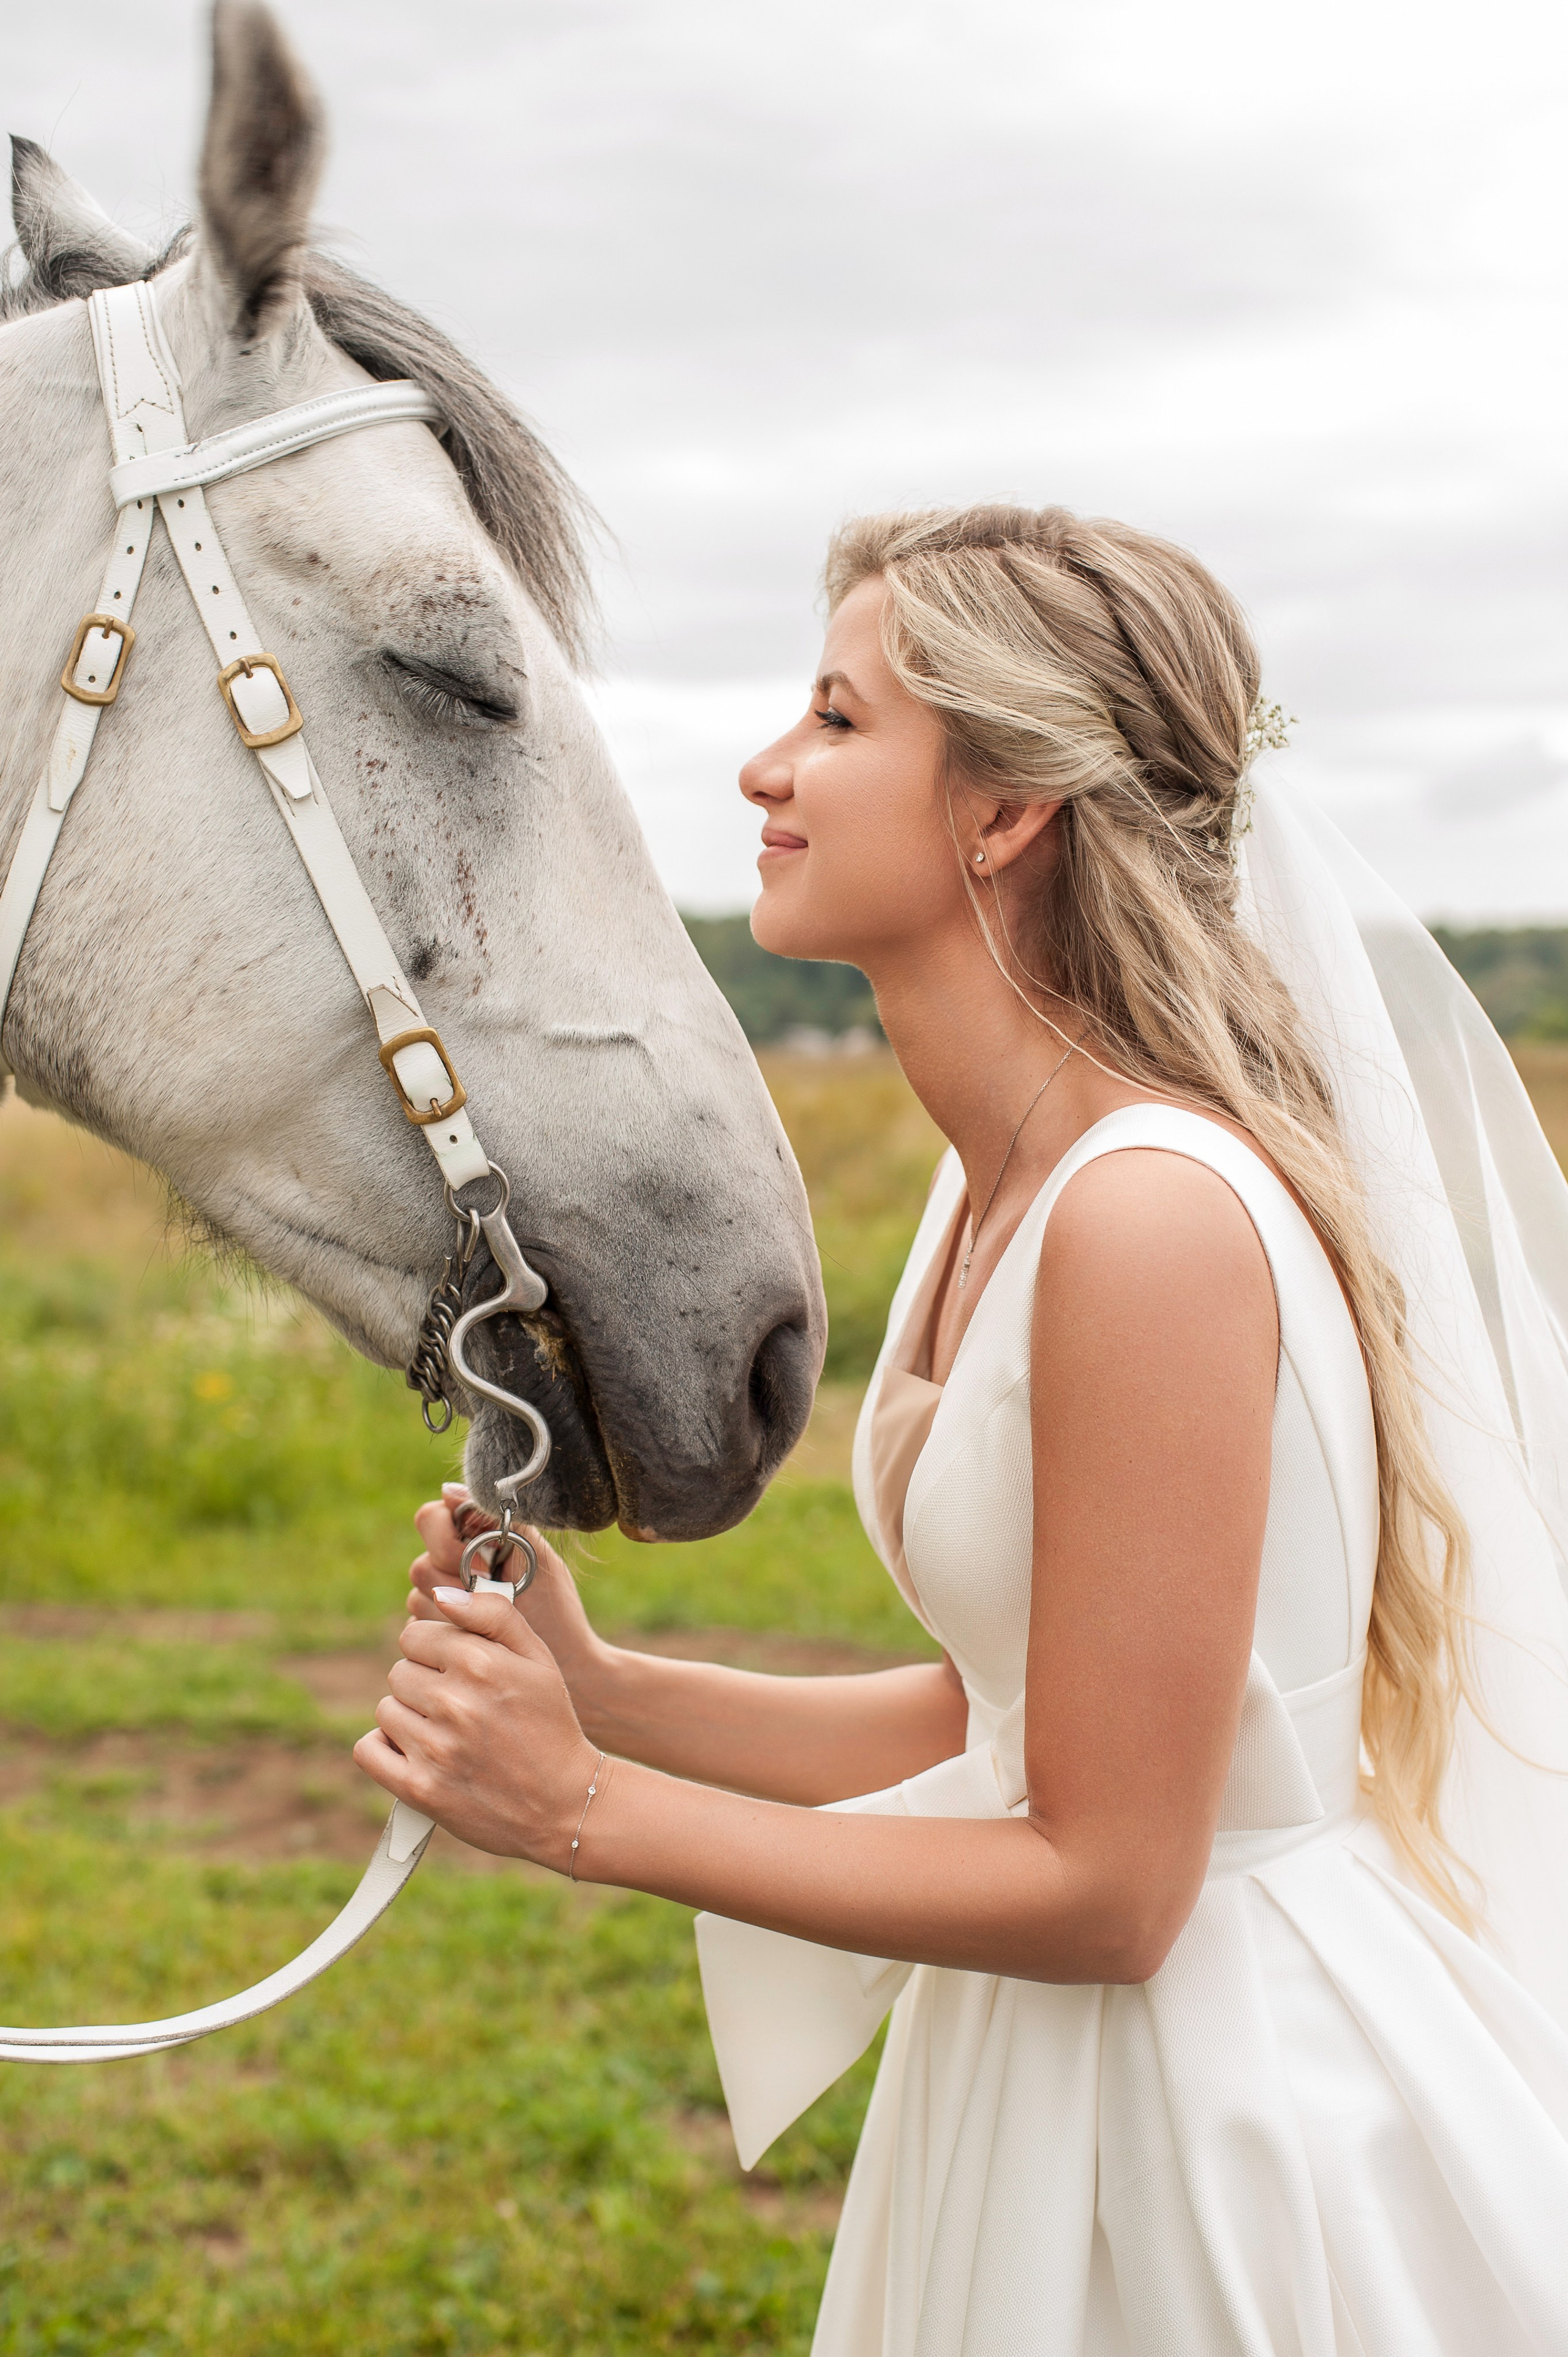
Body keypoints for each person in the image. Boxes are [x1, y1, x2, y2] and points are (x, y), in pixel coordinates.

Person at [356, 505, 1568, 2355]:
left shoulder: (1146, 1218)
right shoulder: (1000, 1184)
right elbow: (1019, 1711)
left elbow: (1112, 1882)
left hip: (1220, 2118)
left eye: (839, 722)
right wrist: (610, 1691)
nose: (768, 765)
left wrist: (586, 1809)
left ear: (1005, 813)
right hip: (1042, 2063)